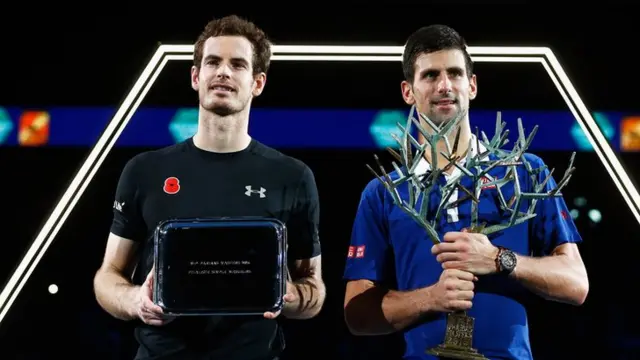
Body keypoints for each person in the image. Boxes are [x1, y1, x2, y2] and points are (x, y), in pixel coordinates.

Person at [342, 24, 589, 359]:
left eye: (455, 73)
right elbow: (357, 316)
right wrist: (431, 298)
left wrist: (500, 259)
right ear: (408, 91)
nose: (444, 86)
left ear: (471, 85)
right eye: (430, 75)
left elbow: (576, 283)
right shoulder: (384, 193)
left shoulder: (524, 171)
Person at [93, 15, 326, 360]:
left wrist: (289, 296)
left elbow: (314, 289)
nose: (223, 72)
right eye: (213, 62)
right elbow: (107, 277)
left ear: (257, 83)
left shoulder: (292, 176)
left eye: (238, 65)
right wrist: (136, 302)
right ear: (195, 76)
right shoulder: (145, 170)